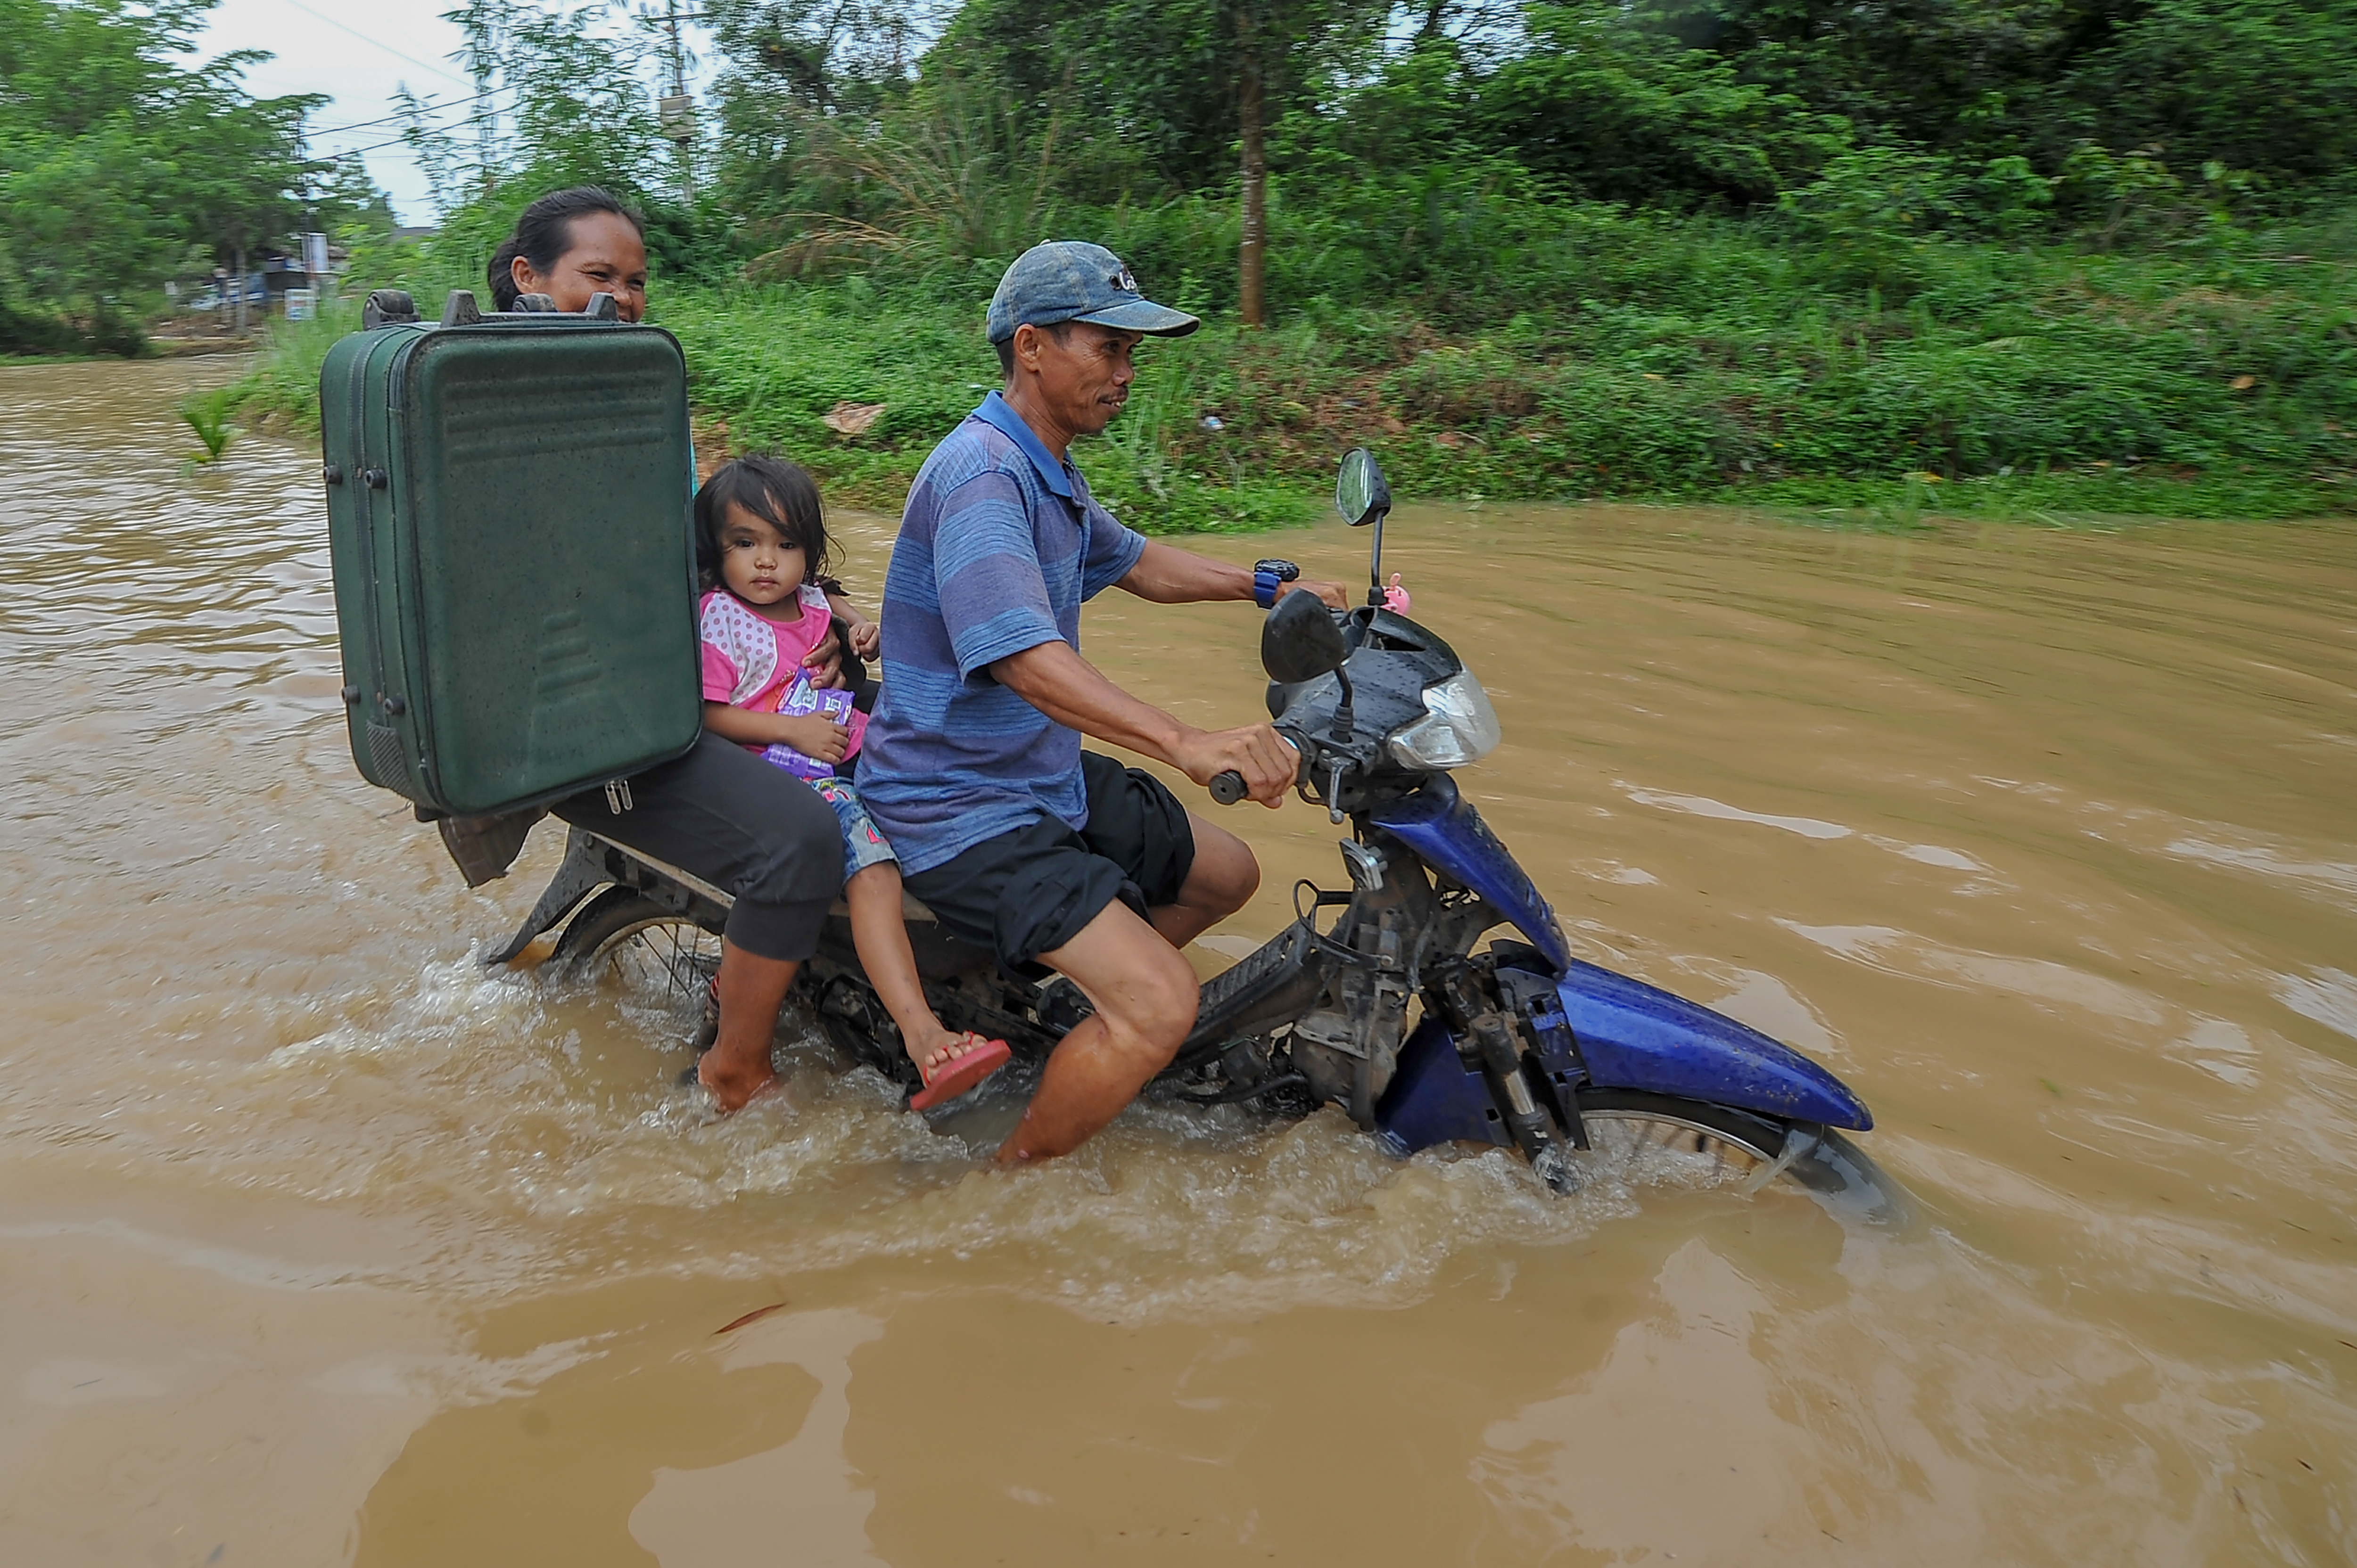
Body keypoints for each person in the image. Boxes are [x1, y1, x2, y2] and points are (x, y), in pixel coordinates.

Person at [856, 241, 1350, 1166]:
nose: (1125, 373)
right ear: (1032, 346)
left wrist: (1271, 587)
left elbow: (1138, 564)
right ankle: (1006, 1184)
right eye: (1108, 349)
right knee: (1163, 999)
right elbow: (1024, 663)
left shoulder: (1049, 470)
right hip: (955, 804)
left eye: (1132, 355)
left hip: (1033, 773)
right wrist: (1184, 740)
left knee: (1225, 872)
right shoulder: (983, 474)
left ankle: (1070, 1018)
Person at [440, 185, 850, 1113]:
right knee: (799, 840)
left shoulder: (625, 392)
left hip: (663, 694)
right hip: (594, 727)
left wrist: (824, 619)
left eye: (634, 281)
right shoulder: (492, 410)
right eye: (598, 276)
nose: (622, 297)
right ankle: (732, 1065)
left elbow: (703, 554)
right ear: (526, 278)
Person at [692, 454, 1011, 1108]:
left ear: (809, 553)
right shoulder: (719, 620)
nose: (765, 562)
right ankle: (924, 1035)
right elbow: (704, 715)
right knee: (875, 871)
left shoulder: (811, 603)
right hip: (785, 772)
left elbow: (863, 630)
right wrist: (790, 732)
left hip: (843, 750)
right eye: (745, 544)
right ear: (716, 550)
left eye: (785, 546)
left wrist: (863, 631)